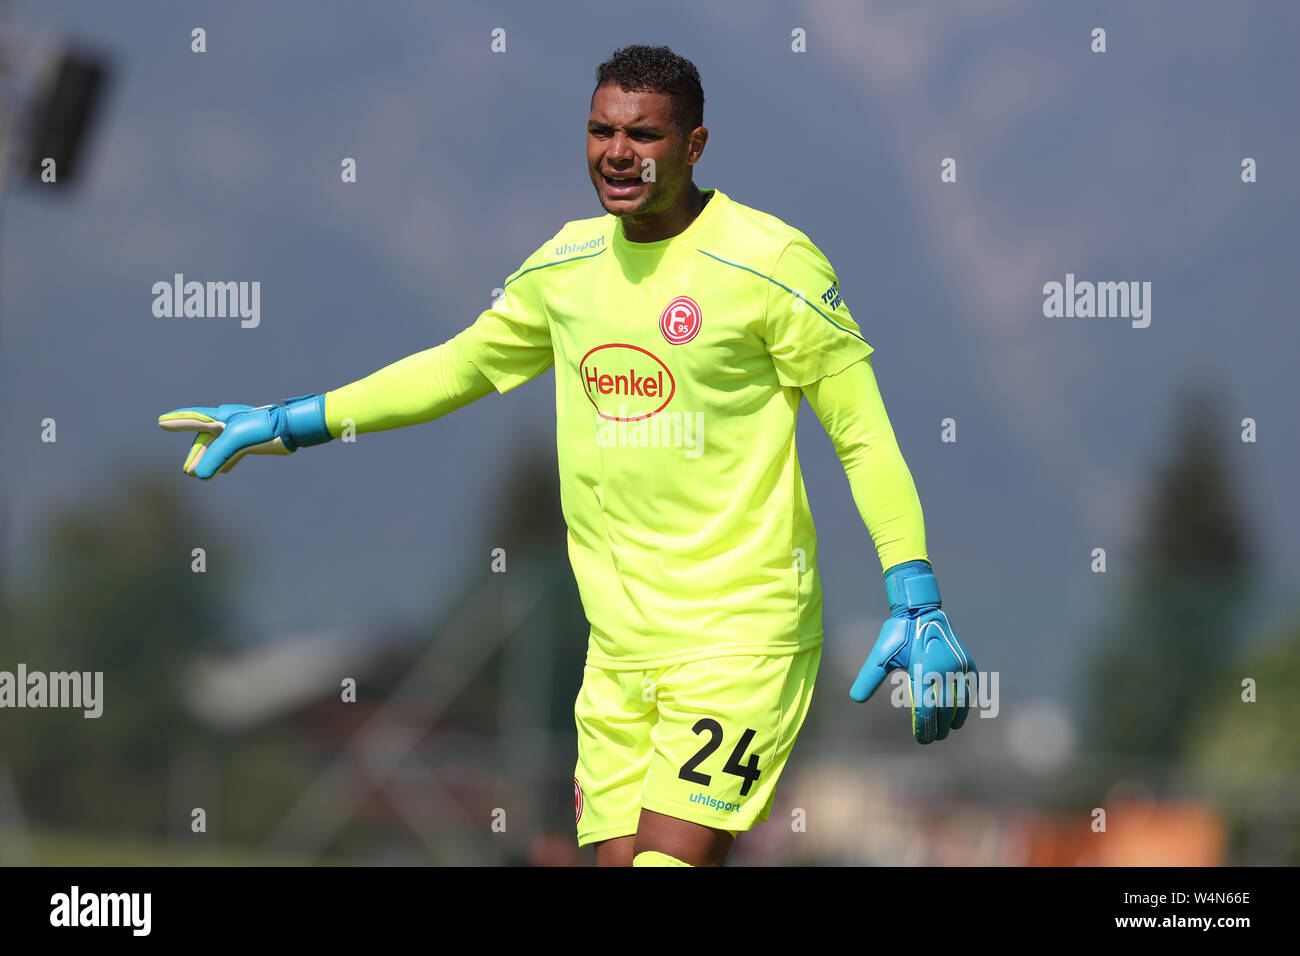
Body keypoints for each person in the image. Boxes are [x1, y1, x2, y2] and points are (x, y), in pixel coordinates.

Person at [159, 44, 976, 867]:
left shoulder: (771, 263)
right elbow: (458, 367)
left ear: (693, 147)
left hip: (740, 636)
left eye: (644, 135)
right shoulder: (564, 266)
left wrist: (916, 597)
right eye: (599, 131)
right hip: (618, 653)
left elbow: (862, 433)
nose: (616, 153)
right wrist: (289, 421)